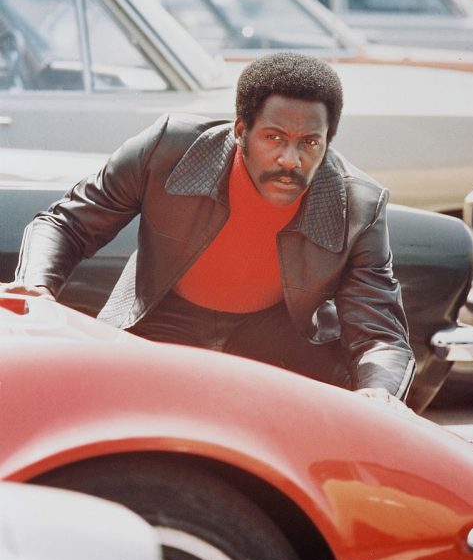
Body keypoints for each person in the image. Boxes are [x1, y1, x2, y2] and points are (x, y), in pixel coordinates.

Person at [1, 52, 415, 403]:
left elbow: (380, 338)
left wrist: (379, 396)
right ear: (240, 131)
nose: (291, 159)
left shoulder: (359, 206)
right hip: (158, 321)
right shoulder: (167, 148)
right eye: (274, 137)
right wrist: (36, 288)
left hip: (277, 341)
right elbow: (69, 223)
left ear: (328, 140)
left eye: (310, 142)